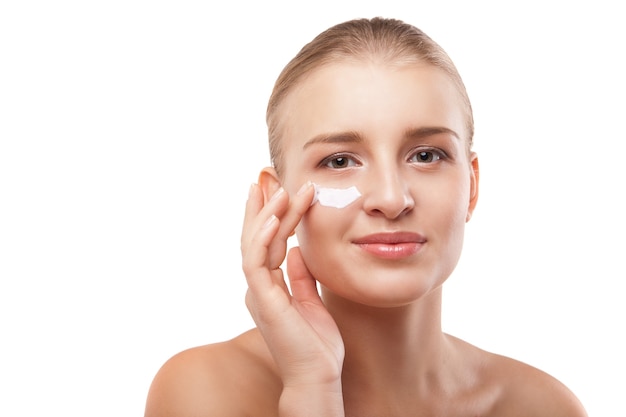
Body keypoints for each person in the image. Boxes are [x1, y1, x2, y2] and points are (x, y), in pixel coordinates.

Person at [144, 17, 588, 417]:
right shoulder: (205, 392)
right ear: (277, 199)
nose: (392, 199)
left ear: (471, 185)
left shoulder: (544, 406)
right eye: (339, 161)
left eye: (426, 155)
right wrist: (311, 389)